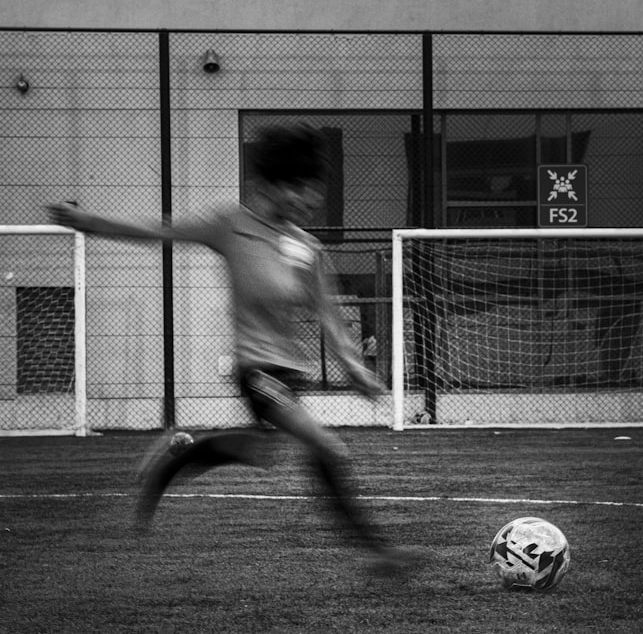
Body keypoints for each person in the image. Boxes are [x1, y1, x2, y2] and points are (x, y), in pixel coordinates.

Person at [47, 125, 416, 573]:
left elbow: (329, 316)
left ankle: (176, 456)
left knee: (258, 453)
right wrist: (86, 222)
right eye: (298, 188)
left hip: (291, 374)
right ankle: (378, 552)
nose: (310, 199)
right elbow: (156, 231)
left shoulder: (307, 247)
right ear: (271, 185)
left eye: (313, 188)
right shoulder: (230, 226)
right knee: (327, 447)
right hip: (257, 371)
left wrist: (355, 366)